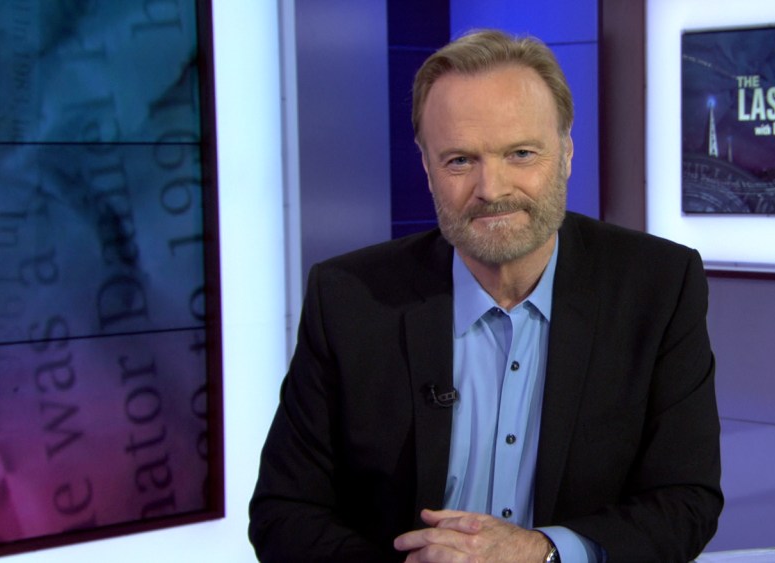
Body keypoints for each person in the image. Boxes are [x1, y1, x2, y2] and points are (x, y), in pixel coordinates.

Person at [248, 29, 722, 563]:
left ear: (566, 153)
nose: (491, 189)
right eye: (459, 161)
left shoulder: (658, 286)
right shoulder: (348, 299)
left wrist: (543, 552)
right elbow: (284, 511)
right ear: (427, 169)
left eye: (520, 154)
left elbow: (686, 501)